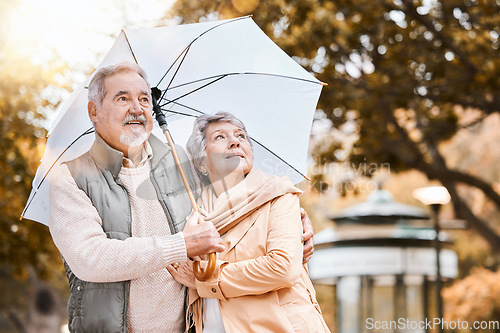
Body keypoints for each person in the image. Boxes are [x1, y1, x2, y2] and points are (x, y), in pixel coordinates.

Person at [48, 63, 315, 333]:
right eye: (123, 98)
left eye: (144, 99)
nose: (137, 108)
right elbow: (90, 259)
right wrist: (180, 245)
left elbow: (233, 207)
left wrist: (294, 221)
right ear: (94, 110)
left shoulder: (179, 160)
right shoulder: (70, 177)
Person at [168, 112, 330, 332]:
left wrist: (204, 279)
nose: (235, 141)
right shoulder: (192, 216)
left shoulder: (279, 197)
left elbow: (282, 268)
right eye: (220, 137)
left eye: (241, 136)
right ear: (200, 162)